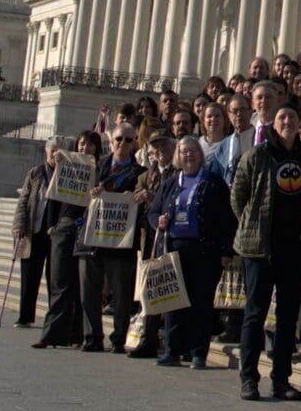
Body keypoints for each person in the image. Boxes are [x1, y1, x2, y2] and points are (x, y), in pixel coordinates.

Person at [231, 104, 301, 400]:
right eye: (283, 117)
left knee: (288, 317)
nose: (289, 121)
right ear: (272, 124)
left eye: (294, 117)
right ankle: (249, 377)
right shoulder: (257, 155)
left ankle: (281, 379)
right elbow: (238, 196)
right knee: (254, 314)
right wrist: (252, 224)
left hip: (295, 246)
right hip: (260, 248)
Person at [148, 135, 233, 368]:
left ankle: (198, 353)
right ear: (178, 155)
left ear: (200, 153)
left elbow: (226, 218)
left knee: (201, 302)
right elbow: (153, 212)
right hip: (174, 248)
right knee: (174, 301)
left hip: (205, 250)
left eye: (193, 150)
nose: (189, 154)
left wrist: (226, 250)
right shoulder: (171, 182)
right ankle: (172, 350)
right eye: (184, 151)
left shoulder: (214, 182)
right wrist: (160, 222)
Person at [80, 128, 142, 353]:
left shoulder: (140, 173)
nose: (122, 143)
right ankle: (92, 337)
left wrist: (136, 198)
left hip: (120, 241)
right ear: (112, 141)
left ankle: (118, 338)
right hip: (93, 238)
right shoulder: (96, 168)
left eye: (128, 139)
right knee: (89, 291)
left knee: (122, 293)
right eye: (118, 139)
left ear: (134, 143)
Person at [31, 137, 87, 350]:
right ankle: (52, 333)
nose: (85, 148)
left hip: (84, 227)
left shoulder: (95, 169)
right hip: (63, 228)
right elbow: (53, 197)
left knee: (78, 284)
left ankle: (76, 334)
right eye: (81, 144)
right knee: (59, 282)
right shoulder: (65, 169)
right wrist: (51, 223)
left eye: (90, 145)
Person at [11, 138, 59, 327]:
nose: (55, 154)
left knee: (53, 277)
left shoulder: (66, 173)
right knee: (30, 274)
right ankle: (25, 316)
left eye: (59, 151)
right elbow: (24, 201)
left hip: (55, 232)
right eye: (53, 150)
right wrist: (19, 225)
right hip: (35, 230)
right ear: (46, 152)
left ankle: (53, 318)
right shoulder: (35, 173)